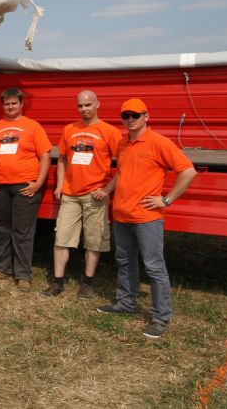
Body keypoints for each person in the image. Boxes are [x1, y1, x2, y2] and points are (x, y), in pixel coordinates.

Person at [97, 98, 196, 339]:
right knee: (125, 261)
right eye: (126, 116)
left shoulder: (159, 142)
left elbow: (188, 171)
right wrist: (107, 191)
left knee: (154, 267)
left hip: (147, 218)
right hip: (122, 215)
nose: (130, 119)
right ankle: (126, 303)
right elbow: (122, 172)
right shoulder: (122, 143)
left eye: (135, 115)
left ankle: (160, 317)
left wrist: (166, 200)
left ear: (146, 116)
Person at [43, 90, 121, 298]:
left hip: (94, 195)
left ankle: (87, 283)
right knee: (61, 238)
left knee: (93, 241)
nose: (84, 109)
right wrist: (60, 184)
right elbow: (62, 159)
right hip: (70, 194)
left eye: (88, 105)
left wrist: (106, 190)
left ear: (98, 104)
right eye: (80, 105)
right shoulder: (69, 129)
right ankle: (57, 282)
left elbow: (125, 165)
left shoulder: (110, 131)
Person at [0, 87, 51, 292]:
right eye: (6, 104)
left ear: (21, 104)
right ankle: (3, 268)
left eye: (13, 103)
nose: (10, 107)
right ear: (3, 106)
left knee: (23, 232)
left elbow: (45, 155)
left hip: (24, 186)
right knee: (3, 230)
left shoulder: (33, 126)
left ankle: (23, 274)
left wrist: (38, 182)